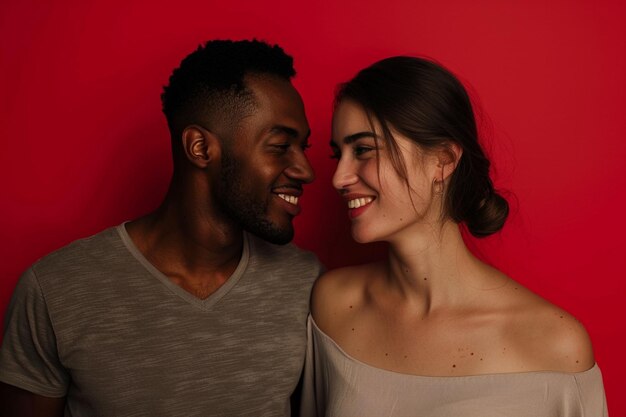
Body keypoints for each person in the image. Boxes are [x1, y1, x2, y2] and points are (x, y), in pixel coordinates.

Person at [0, 39, 322, 417]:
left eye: (304, 147)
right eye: (281, 146)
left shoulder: (306, 283)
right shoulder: (56, 290)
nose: (306, 170)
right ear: (200, 148)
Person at [301, 56, 607, 416]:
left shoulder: (556, 346)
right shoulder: (334, 305)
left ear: (442, 160)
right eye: (339, 155)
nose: (339, 178)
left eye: (364, 150)